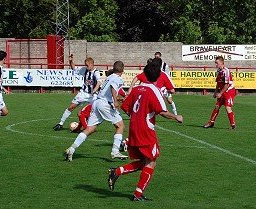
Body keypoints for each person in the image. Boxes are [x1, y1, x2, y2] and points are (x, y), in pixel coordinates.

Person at [108, 61, 183, 201]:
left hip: (134, 128)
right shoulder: (154, 91)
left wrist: (136, 116)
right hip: (146, 130)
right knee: (151, 162)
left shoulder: (137, 89)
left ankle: (116, 171)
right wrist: (176, 116)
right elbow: (162, 112)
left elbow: (125, 106)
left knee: (144, 161)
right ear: (158, 75)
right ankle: (137, 194)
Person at [64, 61, 128, 161]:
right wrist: (115, 101)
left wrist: (116, 99)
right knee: (120, 126)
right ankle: (115, 151)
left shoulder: (110, 77)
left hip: (97, 102)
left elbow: (108, 90)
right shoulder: (118, 79)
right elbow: (113, 88)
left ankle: (72, 149)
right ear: (123, 69)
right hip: (105, 104)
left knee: (89, 130)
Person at [52, 54, 102, 131]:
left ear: (92, 64)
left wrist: (95, 89)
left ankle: (86, 127)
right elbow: (74, 68)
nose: (86, 66)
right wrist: (71, 61)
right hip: (83, 93)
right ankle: (61, 123)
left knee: (91, 112)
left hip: (93, 96)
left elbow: (99, 82)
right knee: (71, 107)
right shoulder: (84, 69)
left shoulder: (96, 72)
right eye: (85, 65)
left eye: (87, 65)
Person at [203, 56, 236, 129]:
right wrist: (215, 92)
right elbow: (218, 83)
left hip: (229, 91)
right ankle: (211, 122)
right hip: (222, 91)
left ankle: (232, 124)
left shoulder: (226, 71)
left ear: (222, 63)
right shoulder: (218, 71)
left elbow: (227, 85)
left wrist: (220, 93)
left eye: (217, 63)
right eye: (215, 63)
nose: (215, 65)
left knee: (228, 108)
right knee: (217, 106)